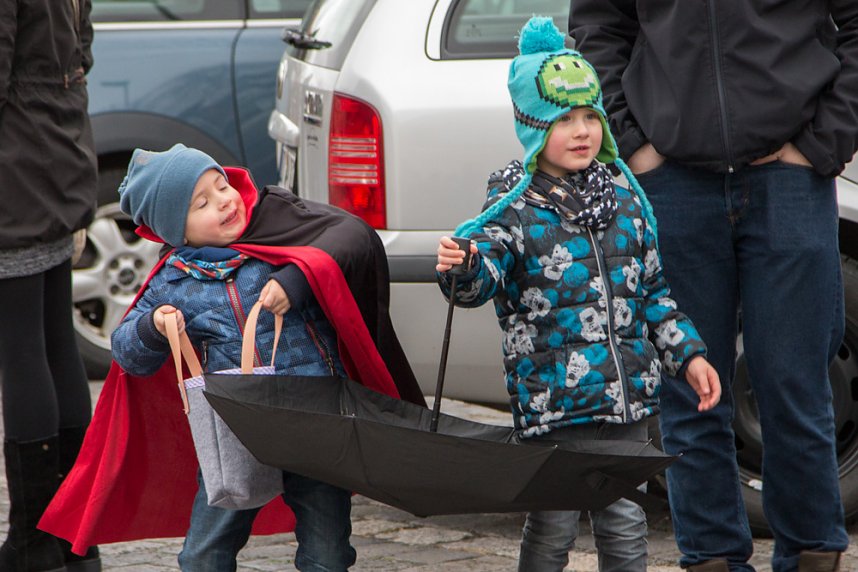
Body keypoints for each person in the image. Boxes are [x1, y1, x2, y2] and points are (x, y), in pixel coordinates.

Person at [568, 2, 858, 571]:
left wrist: (824, 141)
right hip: (672, 184)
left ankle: (811, 557)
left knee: (795, 387)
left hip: (790, 179)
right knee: (690, 394)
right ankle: (713, 560)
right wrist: (632, 144)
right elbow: (598, 26)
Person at [435, 17, 721, 572]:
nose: (582, 130)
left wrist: (690, 354)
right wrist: (465, 265)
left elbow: (655, 293)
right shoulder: (513, 207)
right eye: (564, 118)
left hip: (626, 398)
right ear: (535, 127)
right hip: (553, 403)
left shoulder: (626, 202)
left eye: (590, 116)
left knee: (625, 524)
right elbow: (484, 270)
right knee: (552, 527)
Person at [0, 0, 102, 570]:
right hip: (59, 147)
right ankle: (73, 538)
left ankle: (35, 541)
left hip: (14, 163)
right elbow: (81, 47)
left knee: (23, 350)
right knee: (53, 341)